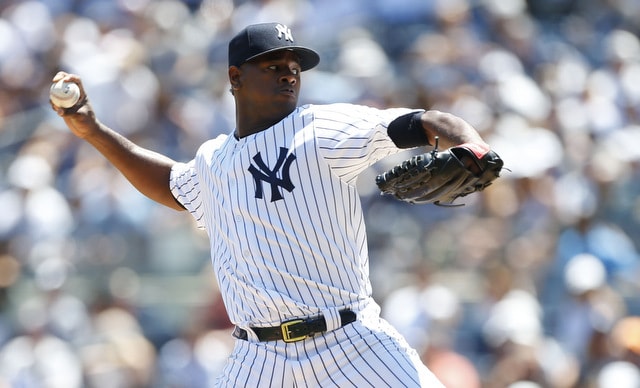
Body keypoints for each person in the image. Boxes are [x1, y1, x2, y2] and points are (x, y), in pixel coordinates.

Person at [51, 22, 492, 387]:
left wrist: (471, 145)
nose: (289, 73)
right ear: (235, 77)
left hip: (351, 342)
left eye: (294, 66)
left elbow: (418, 123)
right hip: (258, 357)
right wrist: (92, 131)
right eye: (273, 65)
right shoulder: (213, 161)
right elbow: (169, 183)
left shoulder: (320, 128)